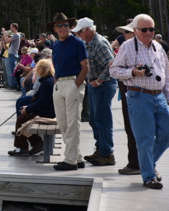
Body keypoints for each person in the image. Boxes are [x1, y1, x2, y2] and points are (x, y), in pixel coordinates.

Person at [110, 14, 169, 189]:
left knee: (166, 133)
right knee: (145, 138)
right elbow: (114, 71)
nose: (149, 32)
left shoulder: (158, 47)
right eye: (144, 29)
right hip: (139, 96)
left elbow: (166, 72)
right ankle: (149, 175)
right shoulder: (128, 47)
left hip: (159, 96)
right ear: (135, 30)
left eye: (151, 29)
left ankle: (148, 164)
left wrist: (167, 96)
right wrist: (133, 72)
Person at [72, 17, 117, 166]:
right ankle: (101, 149)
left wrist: (98, 81)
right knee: (94, 119)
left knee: (102, 120)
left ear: (88, 30)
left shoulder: (99, 43)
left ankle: (106, 154)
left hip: (102, 85)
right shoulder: (90, 42)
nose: (78, 34)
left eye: (80, 32)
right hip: (95, 84)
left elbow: (111, 64)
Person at [48, 13, 89, 171]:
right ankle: (77, 157)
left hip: (73, 82)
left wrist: (76, 84)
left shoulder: (77, 43)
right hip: (59, 84)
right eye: (60, 25)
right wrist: (56, 81)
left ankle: (70, 160)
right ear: (55, 28)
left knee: (73, 123)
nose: (63, 28)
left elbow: (85, 66)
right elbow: (56, 64)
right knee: (63, 123)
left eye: (66, 25)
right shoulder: (56, 45)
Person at [8, 59, 56, 156]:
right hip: (48, 111)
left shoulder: (47, 83)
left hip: (47, 114)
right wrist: (28, 107)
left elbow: (42, 103)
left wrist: (28, 109)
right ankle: (36, 143)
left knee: (21, 120)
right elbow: (38, 99)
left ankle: (22, 148)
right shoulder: (48, 81)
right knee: (25, 119)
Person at [113, 22, 140, 175]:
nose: (124, 35)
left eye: (127, 32)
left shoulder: (152, 48)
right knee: (131, 129)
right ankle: (136, 163)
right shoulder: (127, 47)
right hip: (128, 92)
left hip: (134, 93)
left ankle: (137, 164)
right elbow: (115, 70)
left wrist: (131, 72)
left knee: (136, 129)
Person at [6, 23, 21, 89]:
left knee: (12, 71)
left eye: (11, 27)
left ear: (14, 28)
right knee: (10, 70)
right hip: (11, 54)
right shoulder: (15, 35)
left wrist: (4, 33)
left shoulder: (16, 35)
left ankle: (13, 85)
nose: (10, 28)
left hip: (12, 54)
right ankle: (12, 84)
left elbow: (7, 40)